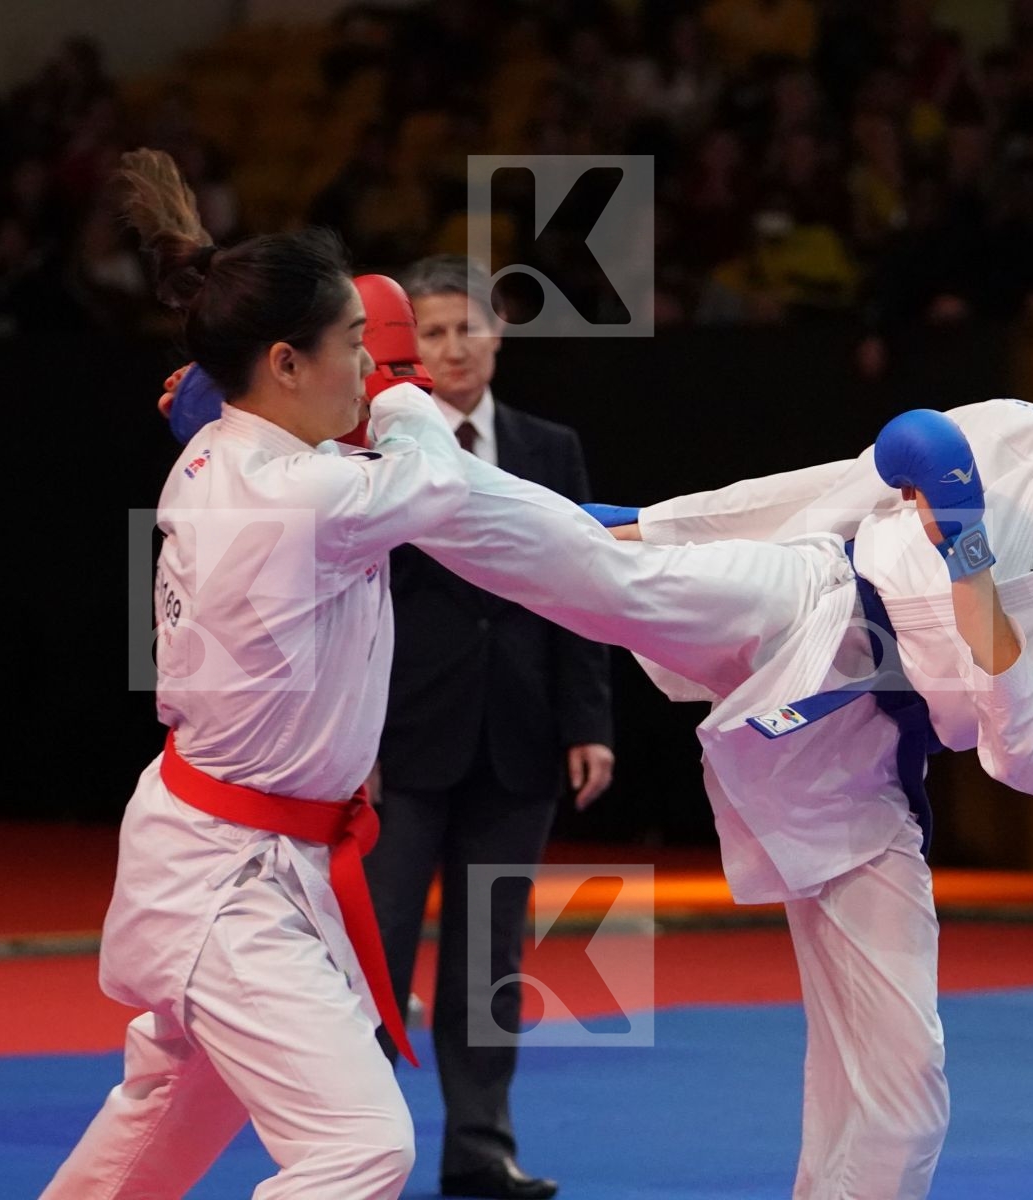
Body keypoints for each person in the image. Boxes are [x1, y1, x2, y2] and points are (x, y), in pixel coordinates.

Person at [162, 306, 1033, 1198]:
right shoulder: (1005, 433)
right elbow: (825, 492)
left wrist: (966, 553)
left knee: (900, 1073)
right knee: (582, 569)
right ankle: (332, 437)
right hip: (805, 604)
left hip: (866, 763)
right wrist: (657, 530)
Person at [42, 149, 472, 1200]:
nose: (372, 370)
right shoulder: (302, 494)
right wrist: (414, 395)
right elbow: (443, 486)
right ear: (283, 363)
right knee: (363, 1147)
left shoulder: (218, 453)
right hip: (229, 880)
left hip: (237, 848)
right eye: (360, 349)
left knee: (163, 1123)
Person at [366, 255, 613, 1200]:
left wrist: (589, 722)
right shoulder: (372, 449)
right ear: (406, 352)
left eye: (468, 326)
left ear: (499, 332)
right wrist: (355, 745)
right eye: (430, 332)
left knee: (490, 959)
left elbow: (585, 588)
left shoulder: (552, 448)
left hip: (521, 737)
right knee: (377, 951)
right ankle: (361, 1149)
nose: (453, 345)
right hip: (400, 742)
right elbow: (353, 601)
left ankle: (480, 1146)